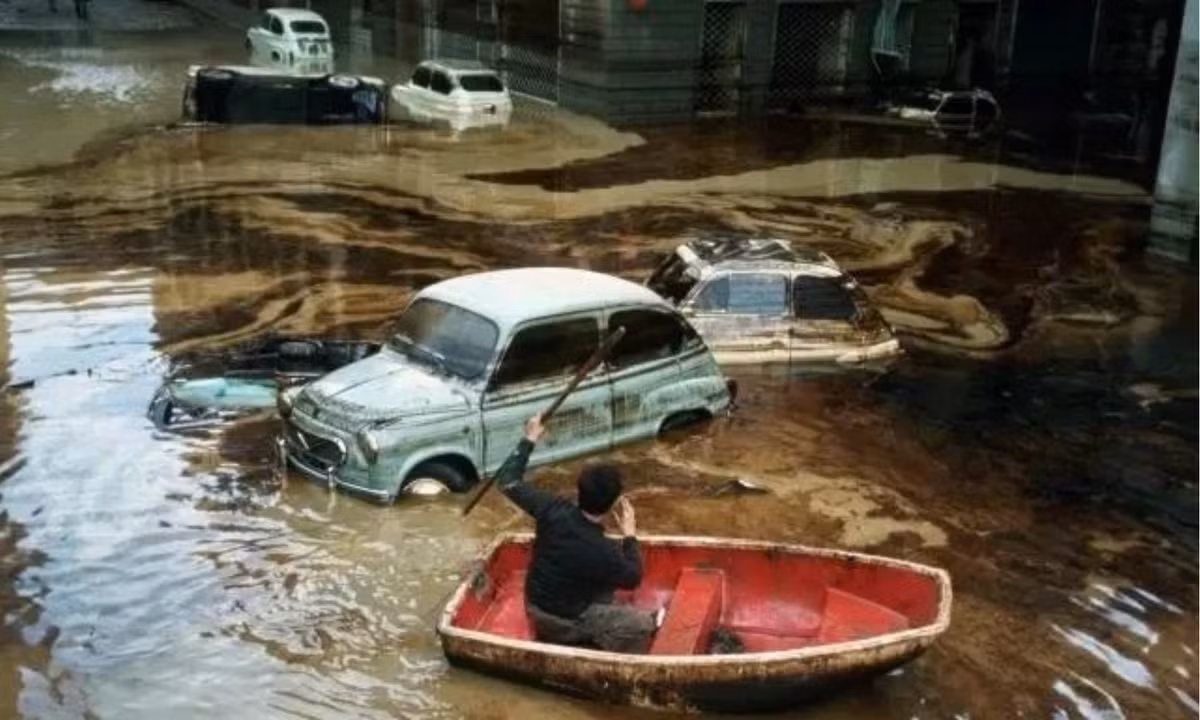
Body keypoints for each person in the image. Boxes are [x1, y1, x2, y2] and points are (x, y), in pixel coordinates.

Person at [495, 413, 661, 653]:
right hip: (558, 621)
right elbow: (633, 577)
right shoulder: (602, 550)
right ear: (613, 503)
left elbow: (508, 481)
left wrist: (530, 437)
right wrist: (630, 535)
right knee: (641, 624)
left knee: (606, 580)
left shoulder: (551, 507)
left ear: (579, 490)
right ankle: (592, 647)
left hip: (534, 602)